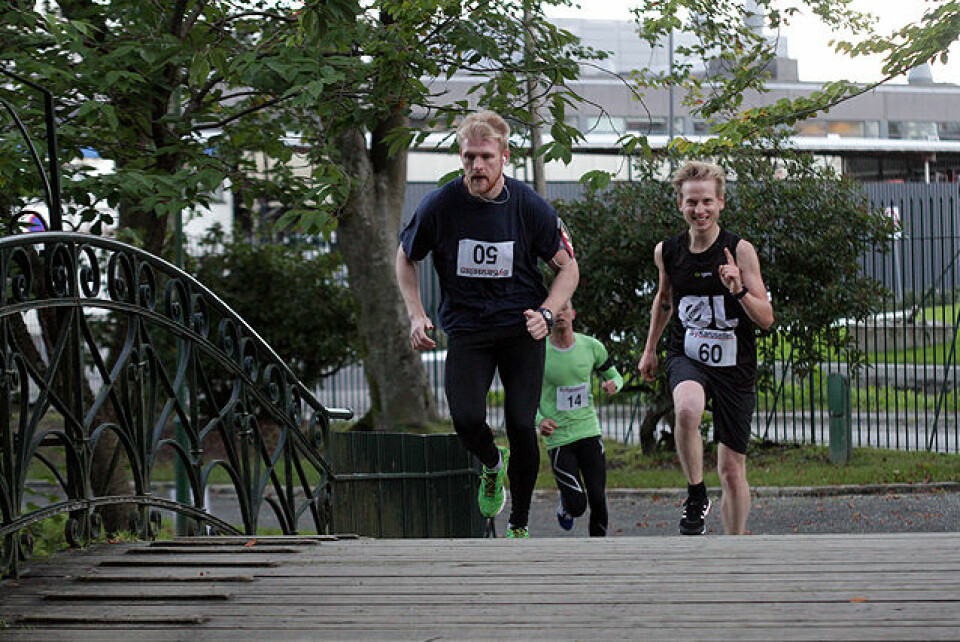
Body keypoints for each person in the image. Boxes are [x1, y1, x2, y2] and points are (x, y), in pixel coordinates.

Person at [396, 110, 578, 539]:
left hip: (521, 329)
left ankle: (518, 523)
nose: (476, 167)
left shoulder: (528, 206)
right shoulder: (440, 205)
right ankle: (492, 465)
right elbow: (405, 257)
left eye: (485, 157)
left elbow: (568, 269)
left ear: (504, 156)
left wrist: (549, 313)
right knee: (464, 417)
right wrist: (416, 314)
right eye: (468, 157)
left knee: (520, 423)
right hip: (469, 331)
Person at [638, 160, 774, 536]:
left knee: (731, 470)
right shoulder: (667, 251)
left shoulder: (739, 251)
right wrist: (650, 350)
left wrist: (738, 289)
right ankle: (696, 493)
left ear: (721, 203)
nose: (700, 210)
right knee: (686, 409)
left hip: (735, 364)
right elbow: (664, 301)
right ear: (680, 204)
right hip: (688, 354)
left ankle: (735, 548)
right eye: (691, 202)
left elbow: (766, 319)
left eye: (707, 202)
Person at [537, 299, 622, 537]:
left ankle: (599, 546)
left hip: (588, 431)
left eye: (565, 309)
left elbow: (615, 375)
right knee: (577, 504)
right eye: (556, 310)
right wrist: (539, 420)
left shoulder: (592, 346)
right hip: (559, 437)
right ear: (548, 316)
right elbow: (523, 392)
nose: (561, 314)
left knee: (598, 496)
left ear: (573, 314)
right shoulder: (538, 351)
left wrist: (614, 384)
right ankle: (566, 505)